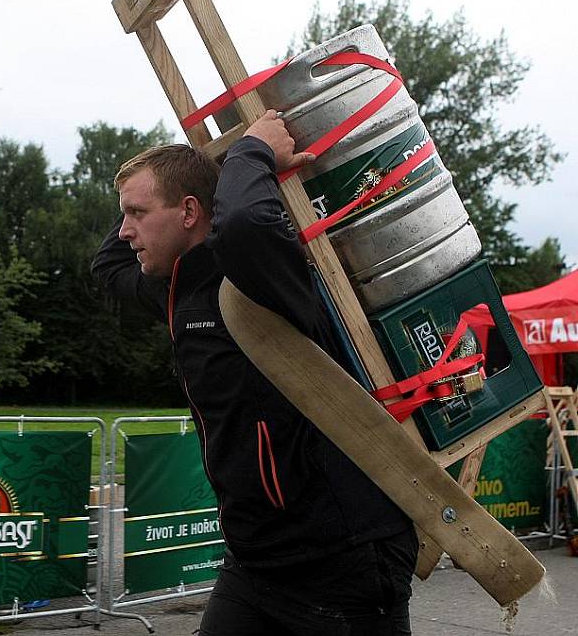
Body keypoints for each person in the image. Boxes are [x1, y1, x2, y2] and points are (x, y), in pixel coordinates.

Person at [92, 110, 418, 635]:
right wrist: (189, 171)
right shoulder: (174, 290)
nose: (124, 231)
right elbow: (107, 268)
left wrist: (250, 151)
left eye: (136, 212)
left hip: (343, 555)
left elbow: (244, 219)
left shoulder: (258, 274)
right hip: (256, 559)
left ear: (191, 212)